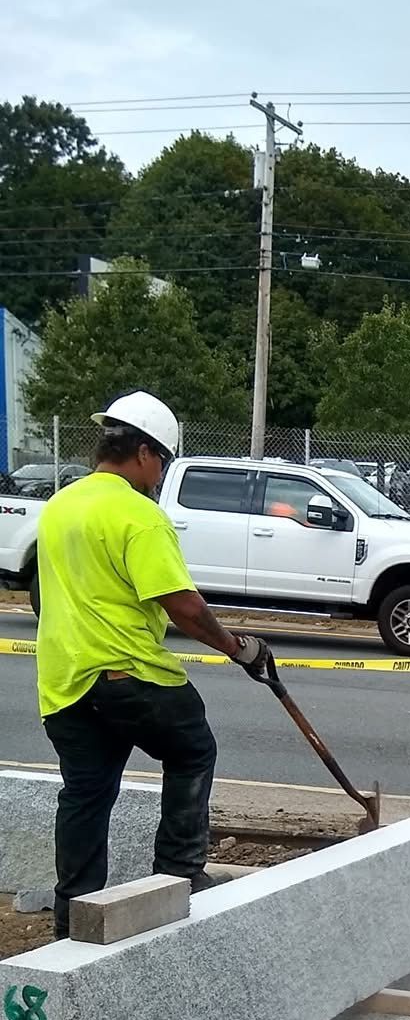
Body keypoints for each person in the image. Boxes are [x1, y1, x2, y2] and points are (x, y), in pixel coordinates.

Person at [35, 390, 271, 939]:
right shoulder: (139, 515)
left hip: (66, 684)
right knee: (192, 750)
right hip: (128, 676)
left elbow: (46, 596)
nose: (160, 473)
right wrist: (239, 648)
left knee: (86, 794)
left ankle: (73, 917)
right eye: (161, 460)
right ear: (142, 453)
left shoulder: (60, 506)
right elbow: (182, 603)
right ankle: (180, 876)